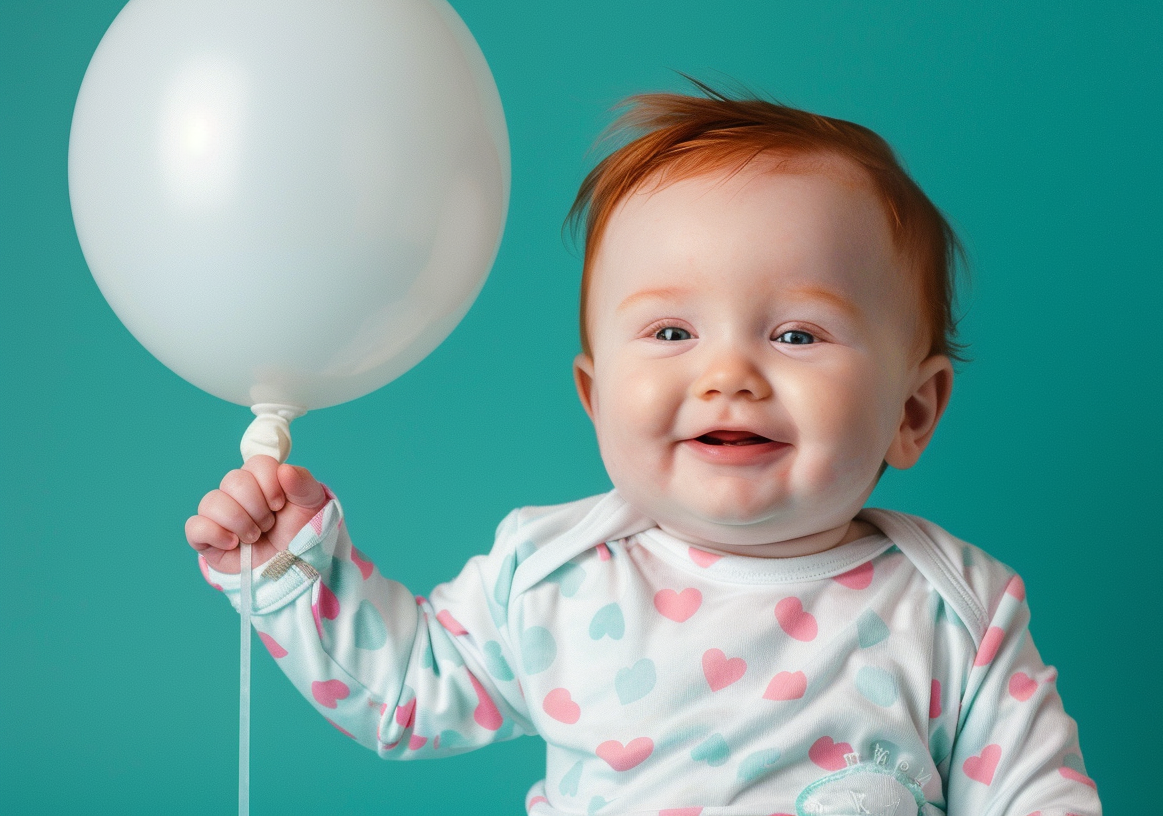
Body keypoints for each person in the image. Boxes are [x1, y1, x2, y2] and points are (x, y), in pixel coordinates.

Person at [187, 85, 1101, 816]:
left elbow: (1037, 797)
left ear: (913, 409)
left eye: (796, 335)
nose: (728, 374)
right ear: (594, 398)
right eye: (670, 332)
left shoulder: (954, 610)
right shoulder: (554, 574)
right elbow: (407, 694)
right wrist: (294, 574)